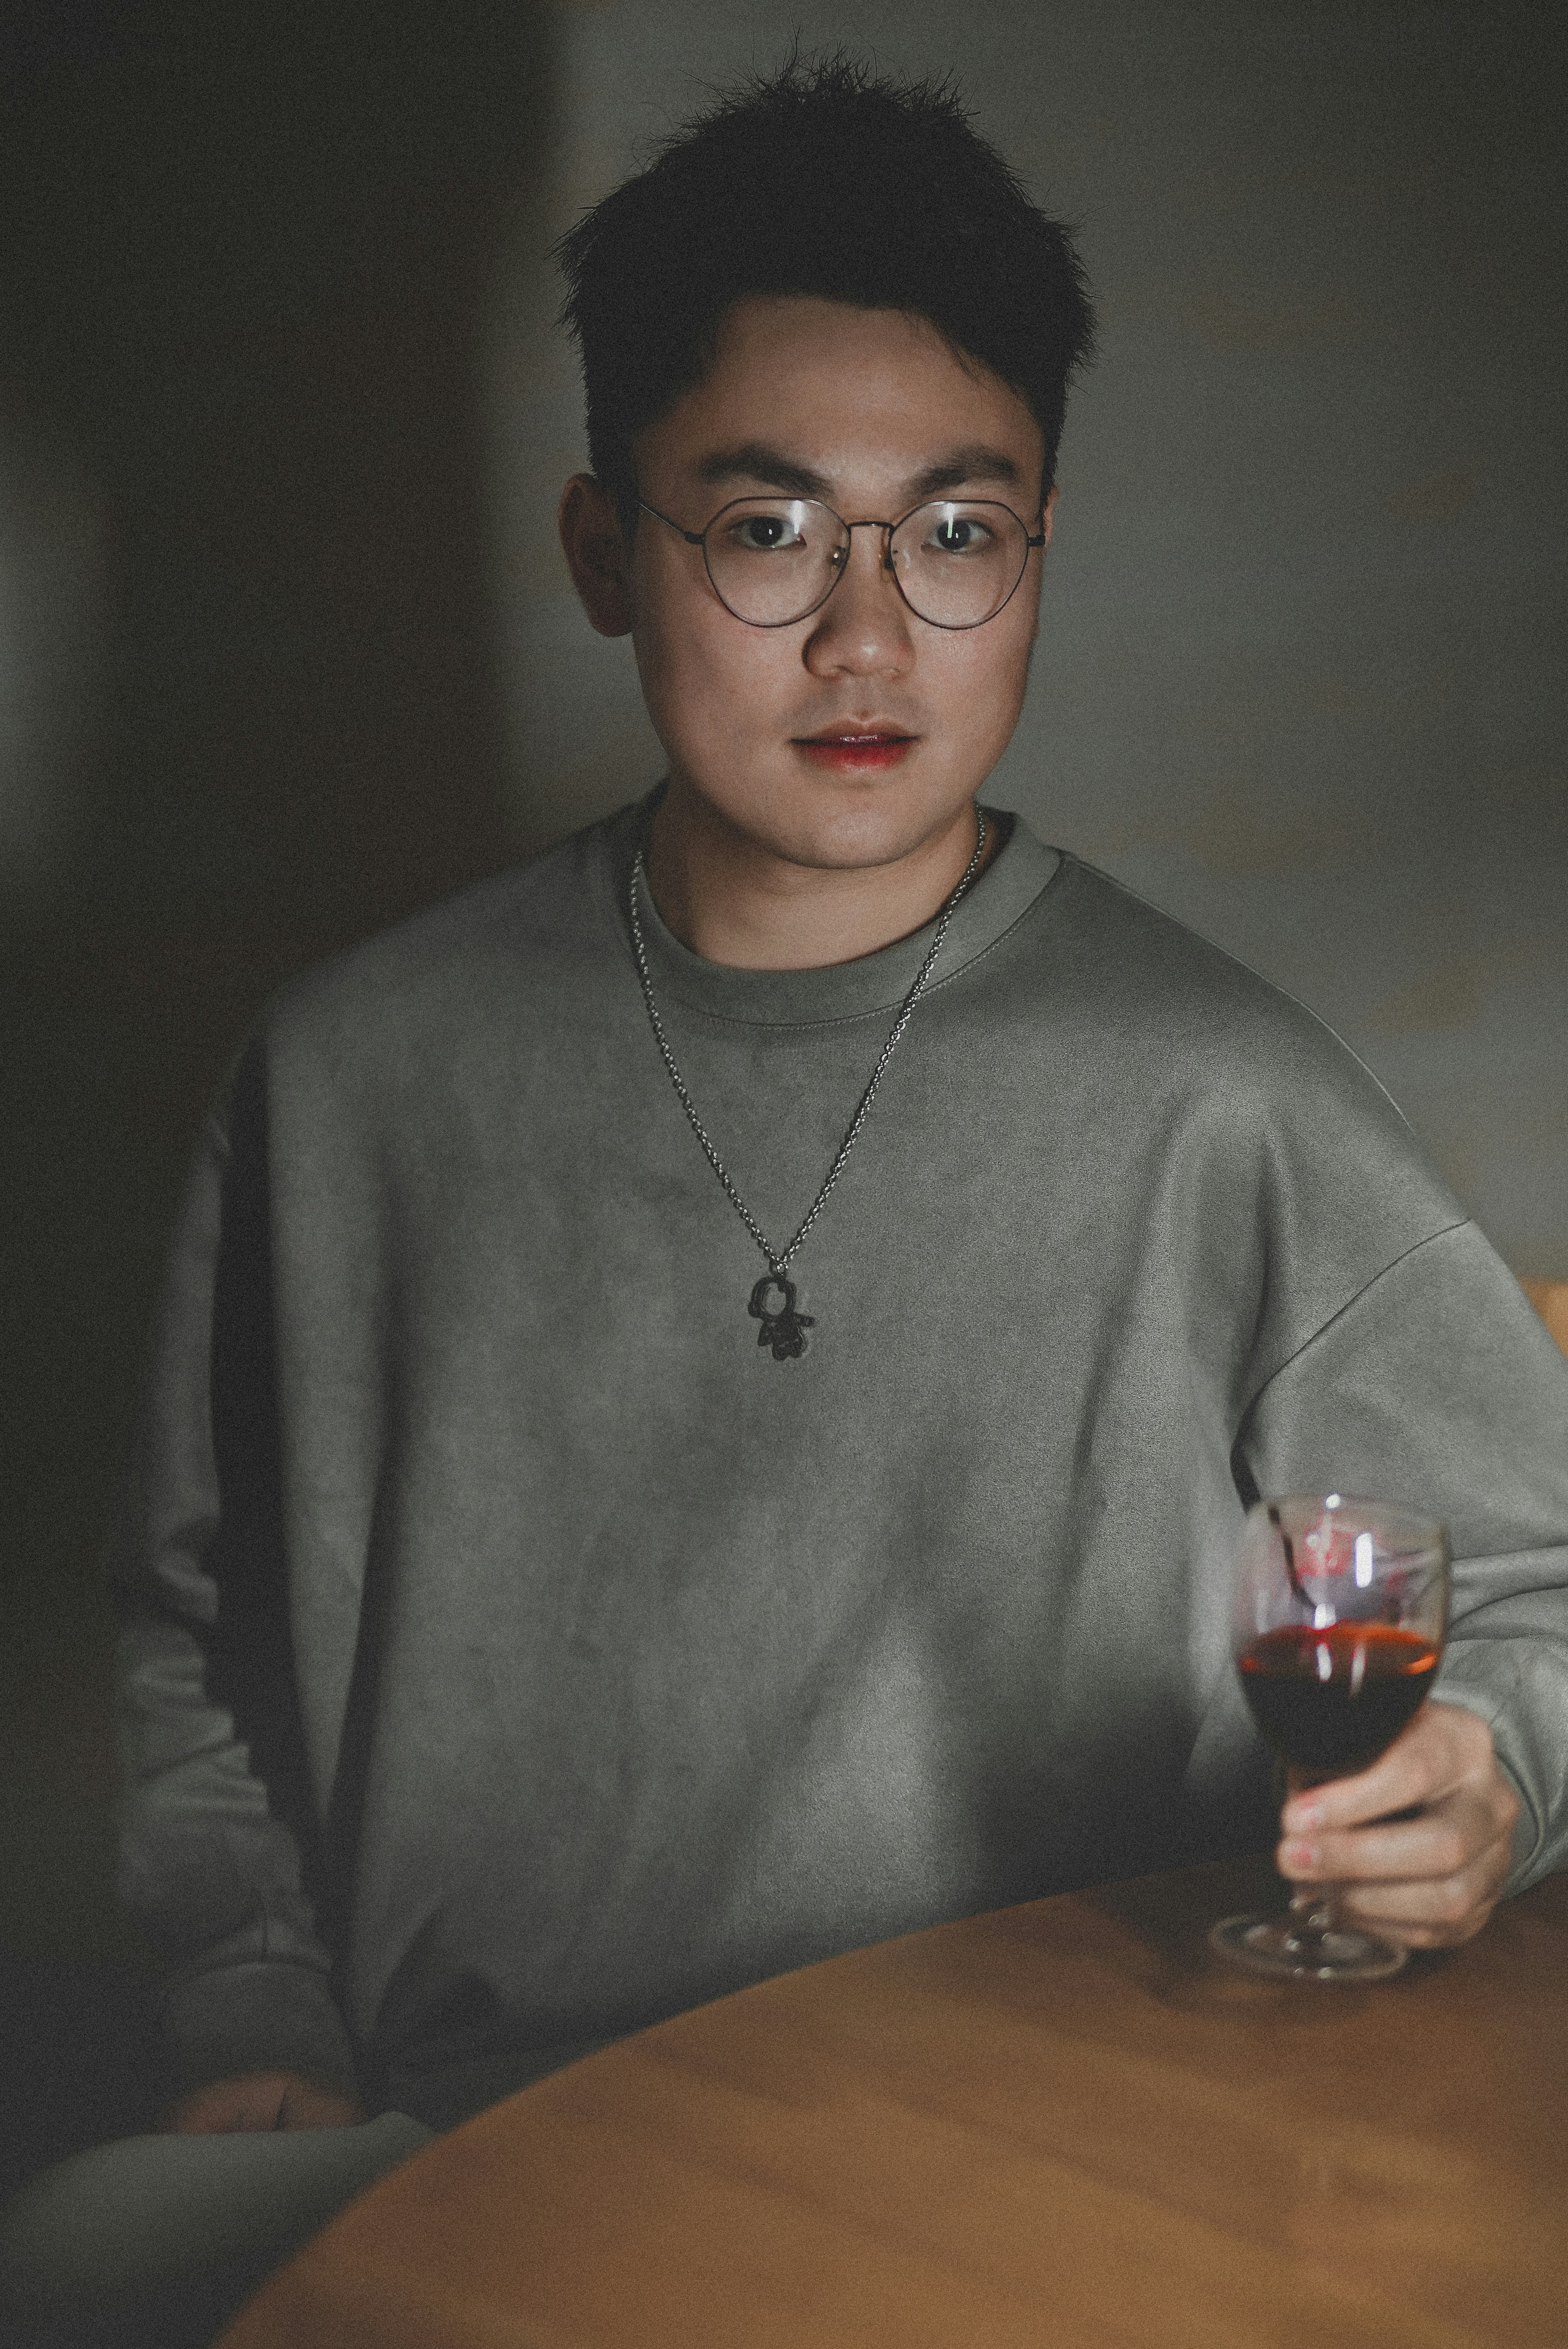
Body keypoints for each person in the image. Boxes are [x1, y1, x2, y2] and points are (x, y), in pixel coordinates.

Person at [5, 52, 1566, 2348]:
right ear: (601, 549)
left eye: (957, 531)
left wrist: (1493, 1770)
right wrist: (259, 1997)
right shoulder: (347, 1077)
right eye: (766, 528)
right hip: (475, 2136)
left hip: (1051, 2148)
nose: (867, 637)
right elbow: (195, 1638)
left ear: (1039, 552)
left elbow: (1539, 1594)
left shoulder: (1214, 1093)